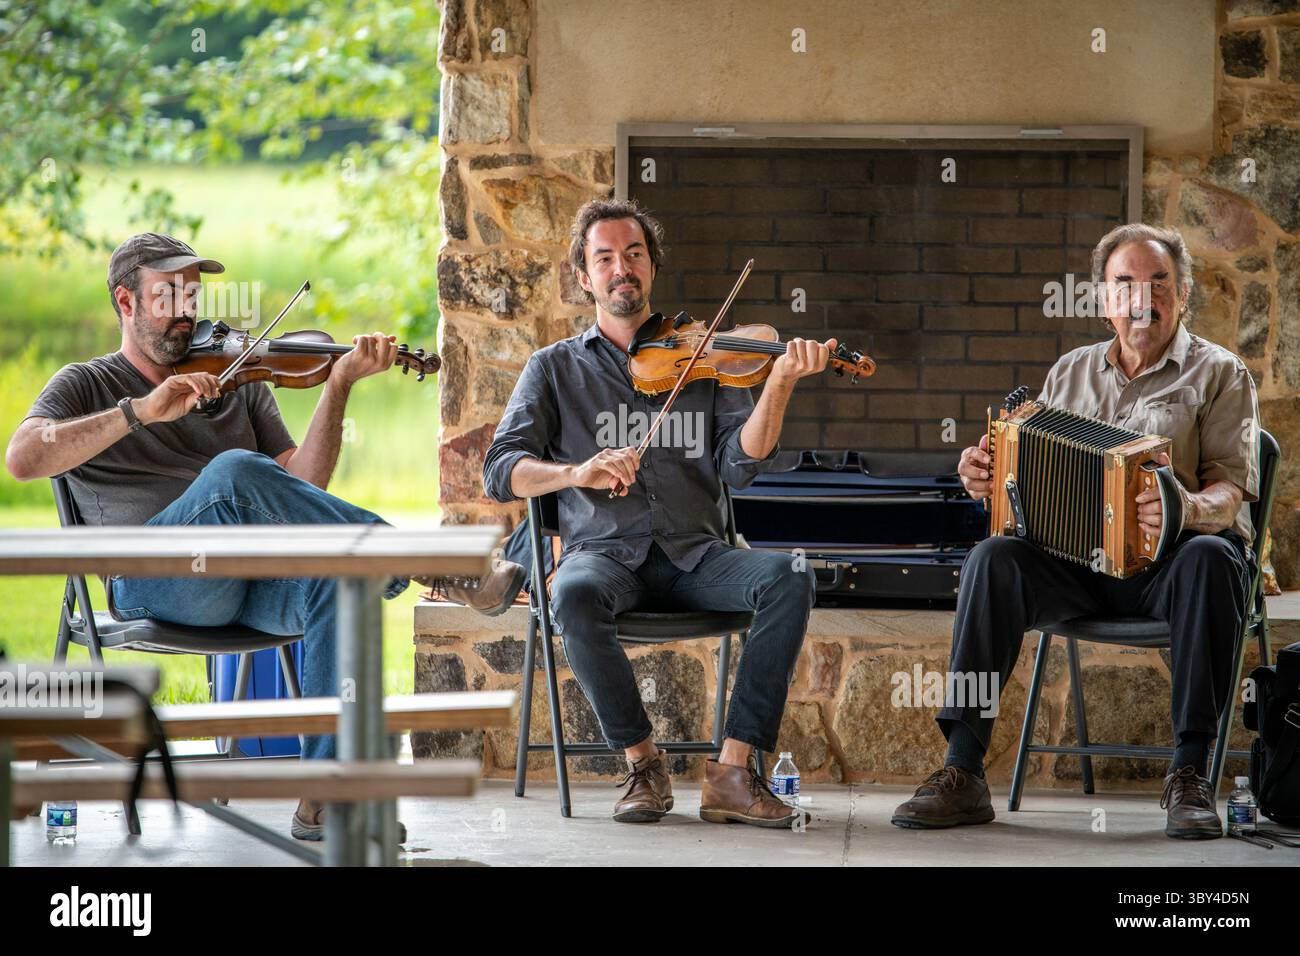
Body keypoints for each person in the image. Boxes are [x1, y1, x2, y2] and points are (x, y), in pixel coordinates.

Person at [4, 232, 522, 840]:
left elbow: (302, 489)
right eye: (168, 294)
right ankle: (430, 569)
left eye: (192, 294)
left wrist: (338, 385)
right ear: (126, 303)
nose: (187, 308)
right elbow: (21, 457)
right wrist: (139, 411)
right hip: (155, 582)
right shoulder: (86, 383)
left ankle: (325, 797)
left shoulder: (236, 380)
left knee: (336, 575)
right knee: (236, 471)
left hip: (245, 584)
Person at [891, 223, 1259, 840]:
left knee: (1212, 559)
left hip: (1174, 570)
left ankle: (1191, 771)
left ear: (1184, 292)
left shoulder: (1222, 373)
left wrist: (1184, 508)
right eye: (1126, 283)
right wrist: (987, 474)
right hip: (1080, 570)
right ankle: (962, 767)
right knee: (992, 557)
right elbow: (1035, 481)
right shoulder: (1069, 373)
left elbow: (1230, 494)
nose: (1143, 297)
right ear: (1104, 299)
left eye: (1159, 281)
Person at [482, 198, 831, 827]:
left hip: (697, 556)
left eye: (635, 254)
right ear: (584, 277)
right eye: (606, 258)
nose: (623, 269)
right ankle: (643, 763)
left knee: (792, 576)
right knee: (572, 594)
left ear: (652, 266)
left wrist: (775, 386)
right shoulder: (554, 369)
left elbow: (737, 464)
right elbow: (501, 468)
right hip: (604, 558)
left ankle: (731, 770)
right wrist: (574, 473)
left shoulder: (702, 359)